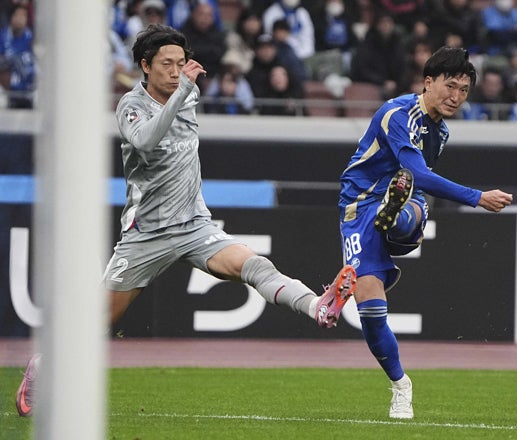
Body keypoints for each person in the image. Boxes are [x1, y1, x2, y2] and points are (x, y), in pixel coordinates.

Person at [15, 23, 356, 418]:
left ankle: (318, 307)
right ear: (145, 66)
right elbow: (145, 141)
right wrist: (182, 93)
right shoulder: (130, 105)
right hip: (146, 234)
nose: (176, 72)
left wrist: (182, 92)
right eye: (167, 64)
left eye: (181, 63)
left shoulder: (187, 93)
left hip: (195, 225)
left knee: (254, 265)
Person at [338, 46, 513, 419]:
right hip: (358, 207)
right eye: (450, 86)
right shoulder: (397, 114)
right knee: (369, 310)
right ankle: (401, 384)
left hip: (408, 198)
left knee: (407, 207)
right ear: (428, 81)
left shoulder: (440, 132)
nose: (456, 97)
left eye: (464, 90)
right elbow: (419, 173)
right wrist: (477, 197)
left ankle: (396, 214)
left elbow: (418, 180)